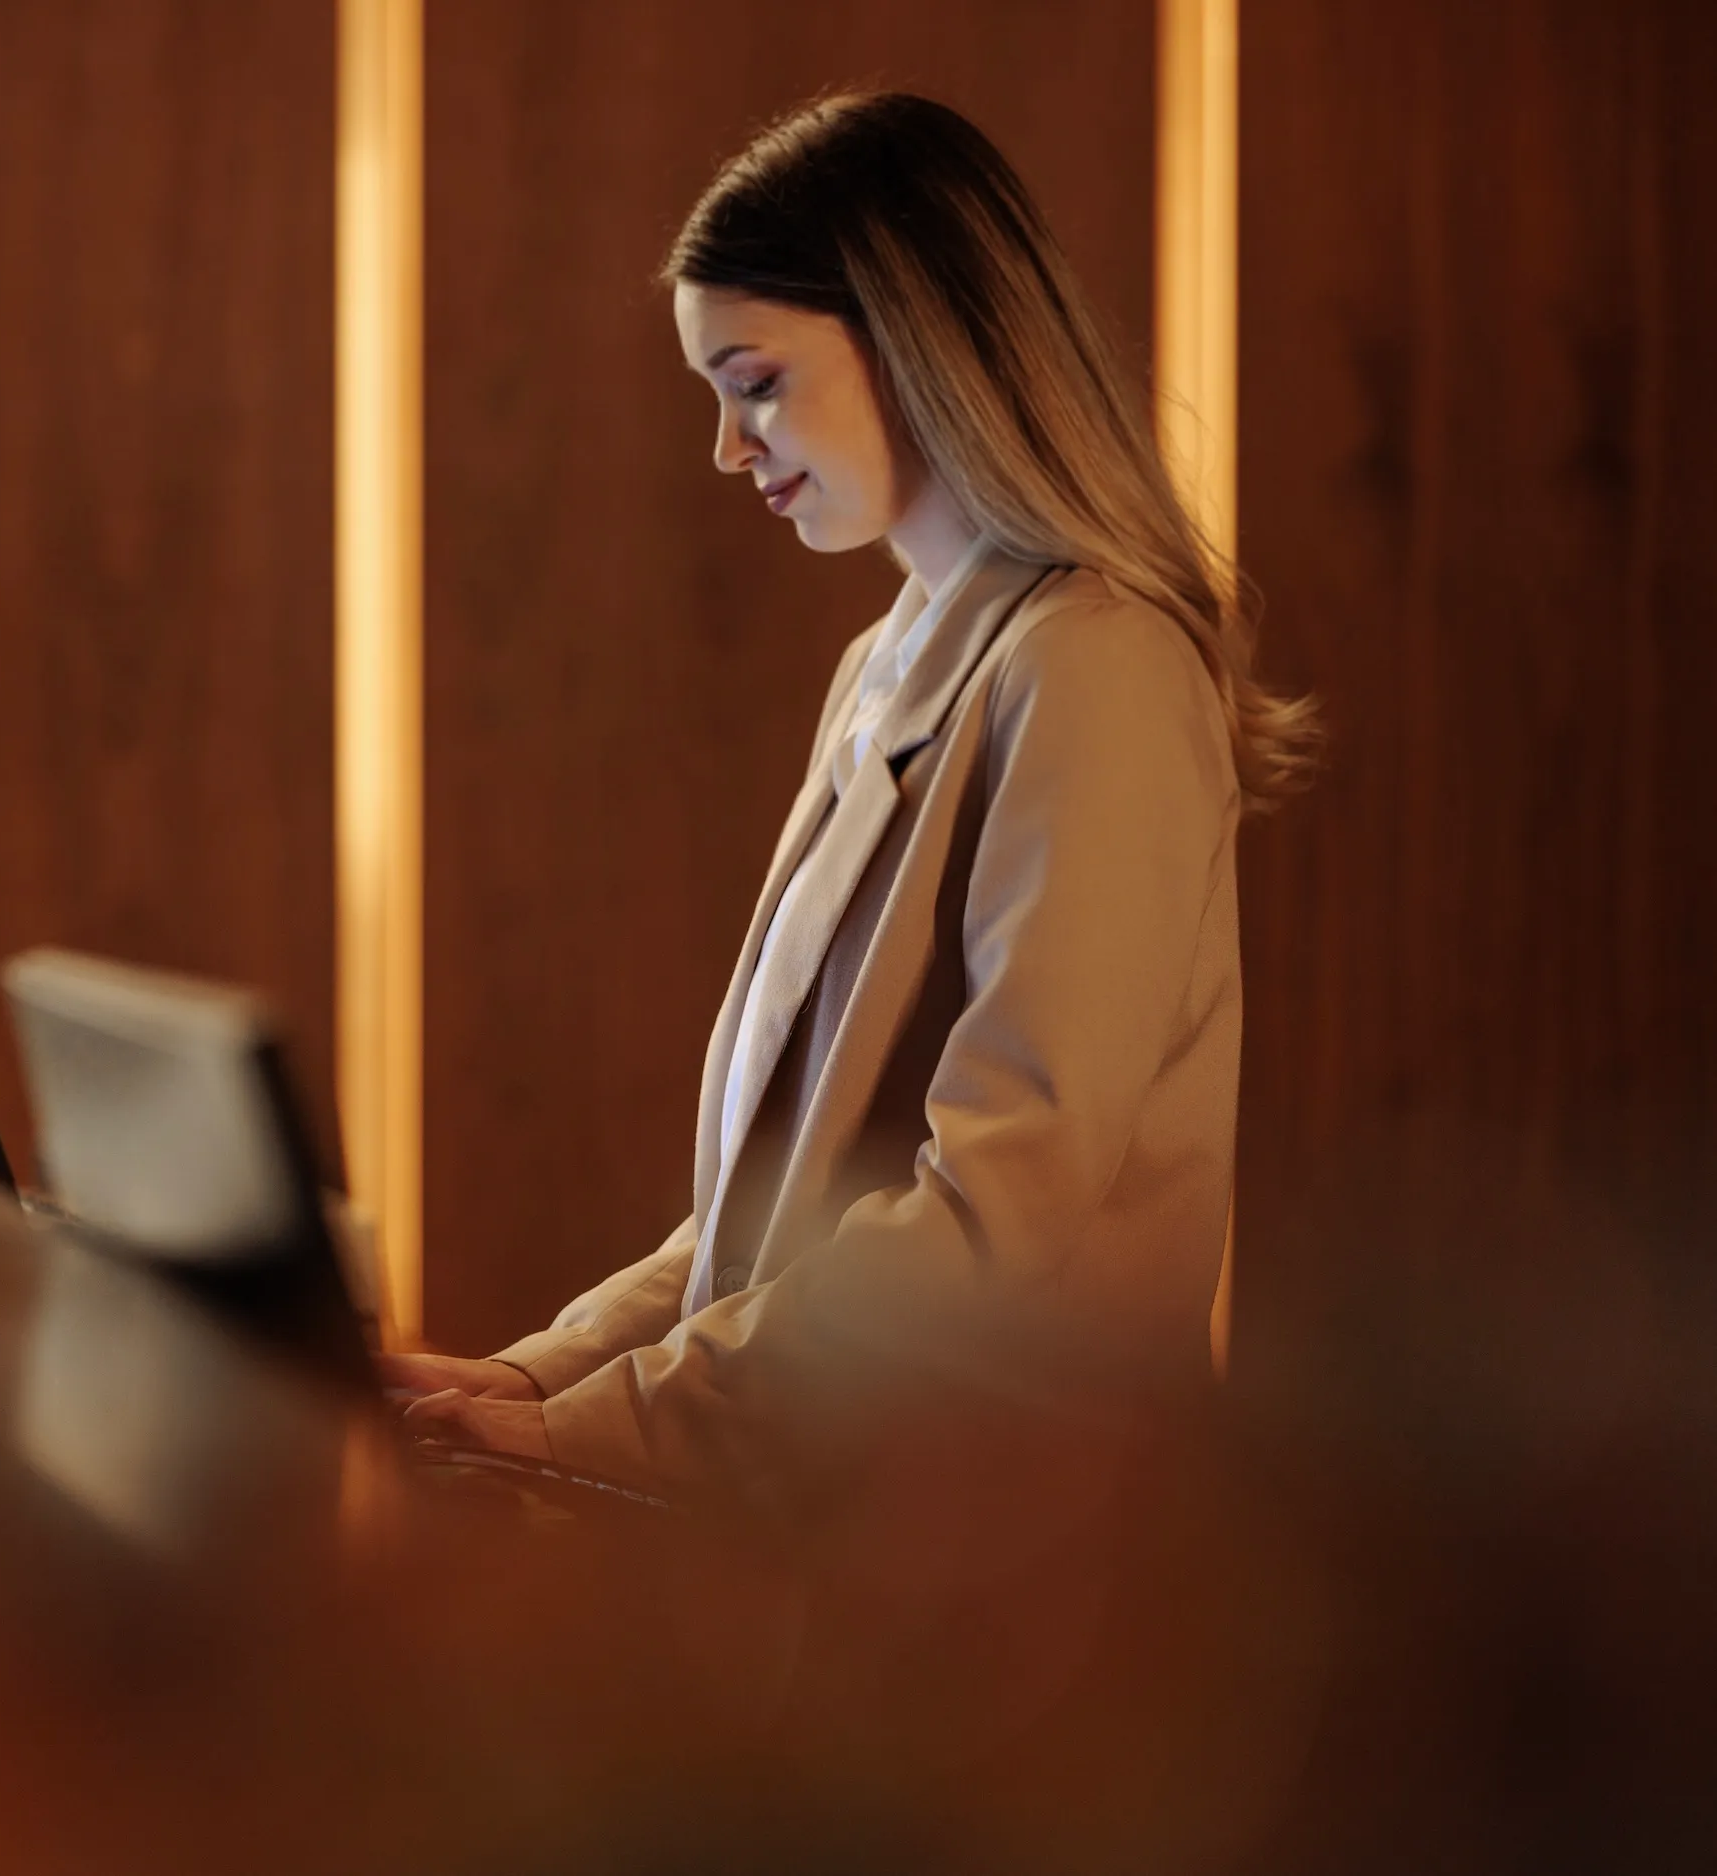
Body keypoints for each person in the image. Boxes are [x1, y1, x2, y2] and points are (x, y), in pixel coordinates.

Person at [384, 91, 1316, 1492]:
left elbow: (999, 1207)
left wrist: (619, 1423)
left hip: (1019, 1563)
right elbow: (777, 1213)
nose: (728, 447)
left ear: (924, 340)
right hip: (850, 1533)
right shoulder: (887, 664)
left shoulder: (1097, 665)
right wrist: (546, 1374)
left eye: (755, 384)